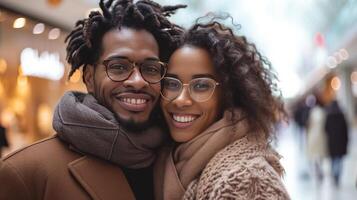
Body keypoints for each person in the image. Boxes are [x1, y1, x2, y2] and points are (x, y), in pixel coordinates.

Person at [0, 0, 185, 199]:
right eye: (118, 67)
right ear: (89, 77)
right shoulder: (25, 172)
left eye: (150, 69)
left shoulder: (179, 160)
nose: (138, 81)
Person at [154, 17, 290, 199]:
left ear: (228, 94)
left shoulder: (247, 181)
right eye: (171, 84)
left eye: (201, 85)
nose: (181, 100)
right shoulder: (166, 160)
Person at [324, 100, 349, 187]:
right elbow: (346, 130)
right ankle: (337, 175)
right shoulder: (341, 116)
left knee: (333, 159)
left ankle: (334, 173)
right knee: (339, 160)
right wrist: (346, 141)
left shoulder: (328, 116)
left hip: (332, 142)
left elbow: (325, 129)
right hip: (341, 142)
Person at [305, 92, 327, 183]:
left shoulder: (313, 112)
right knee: (320, 153)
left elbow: (308, 124)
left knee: (315, 153)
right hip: (321, 135)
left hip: (313, 135)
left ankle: (318, 168)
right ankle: (319, 168)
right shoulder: (323, 112)